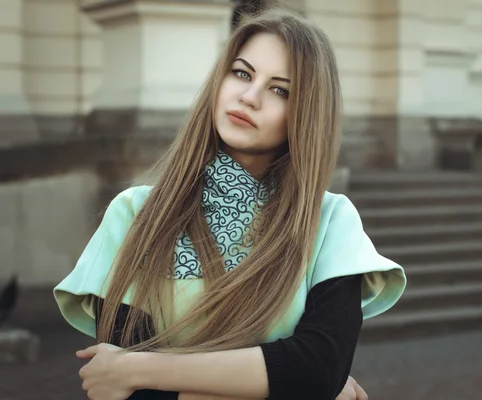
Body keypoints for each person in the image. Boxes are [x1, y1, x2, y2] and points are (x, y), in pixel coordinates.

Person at [53, 6, 406, 400]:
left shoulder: (329, 221)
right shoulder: (136, 214)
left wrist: (141, 367)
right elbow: (138, 397)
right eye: (241, 73)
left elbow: (318, 368)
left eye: (280, 90)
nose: (249, 97)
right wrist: (290, 385)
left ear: (306, 114)